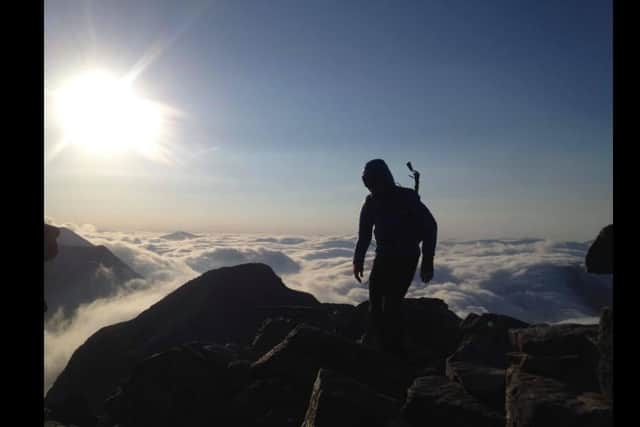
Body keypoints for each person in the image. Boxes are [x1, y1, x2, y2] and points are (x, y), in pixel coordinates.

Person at [353, 159, 437, 358]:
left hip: (406, 256)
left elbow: (430, 228)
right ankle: (377, 343)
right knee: (375, 301)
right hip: (384, 256)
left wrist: (427, 261)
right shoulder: (372, 202)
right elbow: (364, 234)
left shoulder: (407, 198)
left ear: (384, 178)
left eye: (373, 181)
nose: (371, 186)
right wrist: (358, 259)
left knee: (391, 303)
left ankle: (394, 350)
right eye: (368, 182)